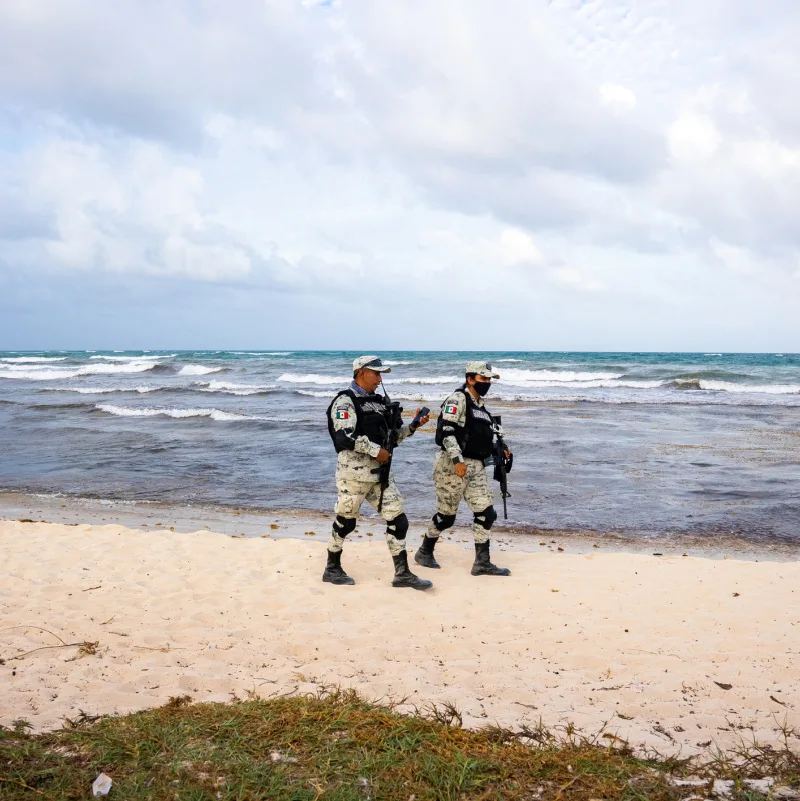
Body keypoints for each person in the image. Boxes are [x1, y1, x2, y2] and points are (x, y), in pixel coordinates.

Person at [323, 355, 432, 590]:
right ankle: (332, 568)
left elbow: (392, 440)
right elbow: (344, 438)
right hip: (353, 475)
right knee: (346, 522)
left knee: (399, 520)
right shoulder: (345, 401)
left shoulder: (379, 403)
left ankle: (402, 573)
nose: (380, 378)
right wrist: (375, 451)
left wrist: (413, 426)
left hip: (380, 476)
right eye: (376, 373)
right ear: (362, 372)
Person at [414, 361, 511, 576]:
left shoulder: (481, 407)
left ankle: (482, 563)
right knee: (447, 517)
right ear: (470, 379)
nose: (486, 383)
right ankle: (424, 551)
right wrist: (457, 461)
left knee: (487, 513)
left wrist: (500, 449)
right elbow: (447, 431)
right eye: (483, 379)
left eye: (489, 379)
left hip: (476, 466)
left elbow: (479, 437)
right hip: (452, 465)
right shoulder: (457, 399)